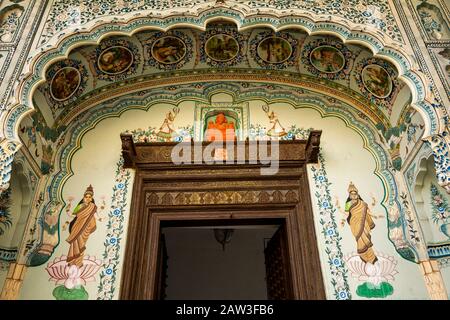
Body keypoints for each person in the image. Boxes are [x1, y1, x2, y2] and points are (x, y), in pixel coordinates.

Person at [342, 182, 378, 265]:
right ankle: (365, 256)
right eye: (352, 194)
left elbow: (368, 212)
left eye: (355, 194)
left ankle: (371, 257)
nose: (354, 195)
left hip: (364, 223)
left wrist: (375, 215)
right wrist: (343, 221)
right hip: (354, 223)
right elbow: (346, 214)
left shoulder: (362, 203)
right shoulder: (348, 204)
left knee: (366, 239)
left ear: (357, 194)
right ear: (349, 195)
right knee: (360, 239)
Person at [65, 185, 98, 268]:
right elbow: (73, 216)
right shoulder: (80, 206)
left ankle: (78, 263)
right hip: (77, 227)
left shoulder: (92, 207)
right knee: (75, 244)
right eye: (86, 197)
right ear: (83, 198)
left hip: (85, 230)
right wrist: (68, 209)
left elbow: (96, 217)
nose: (87, 198)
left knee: (82, 245)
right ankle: (72, 261)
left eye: (89, 197)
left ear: (91, 198)